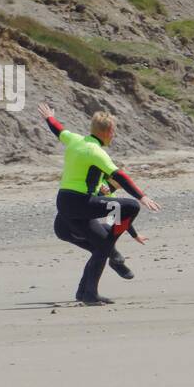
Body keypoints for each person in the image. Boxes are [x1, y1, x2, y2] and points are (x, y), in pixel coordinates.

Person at [39, 102, 161, 305]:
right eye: (114, 132)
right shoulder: (96, 152)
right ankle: (110, 253)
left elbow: (59, 130)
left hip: (65, 205)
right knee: (131, 207)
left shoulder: (76, 140)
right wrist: (141, 197)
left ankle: (86, 293)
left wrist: (49, 118)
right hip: (80, 203)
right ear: (108, 131)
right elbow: (120, 176)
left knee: (102, 246)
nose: (114, 136)